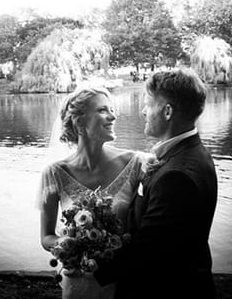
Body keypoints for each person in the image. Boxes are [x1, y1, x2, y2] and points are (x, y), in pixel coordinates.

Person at [94, 68, 218, 299]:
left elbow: (147, 250)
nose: (142, 111)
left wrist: (90, 267)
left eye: (148, 105)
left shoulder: (176, 176)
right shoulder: (193, 153)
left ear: (167, 111)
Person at [37, 86, 149, 299]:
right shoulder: (54, 174)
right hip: (78, 280)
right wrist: (67, 244)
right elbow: (46, 237)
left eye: (113, 110)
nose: (113, 116)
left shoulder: (136, 164)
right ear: (80, 122)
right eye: (103, 110)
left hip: (123, 281)